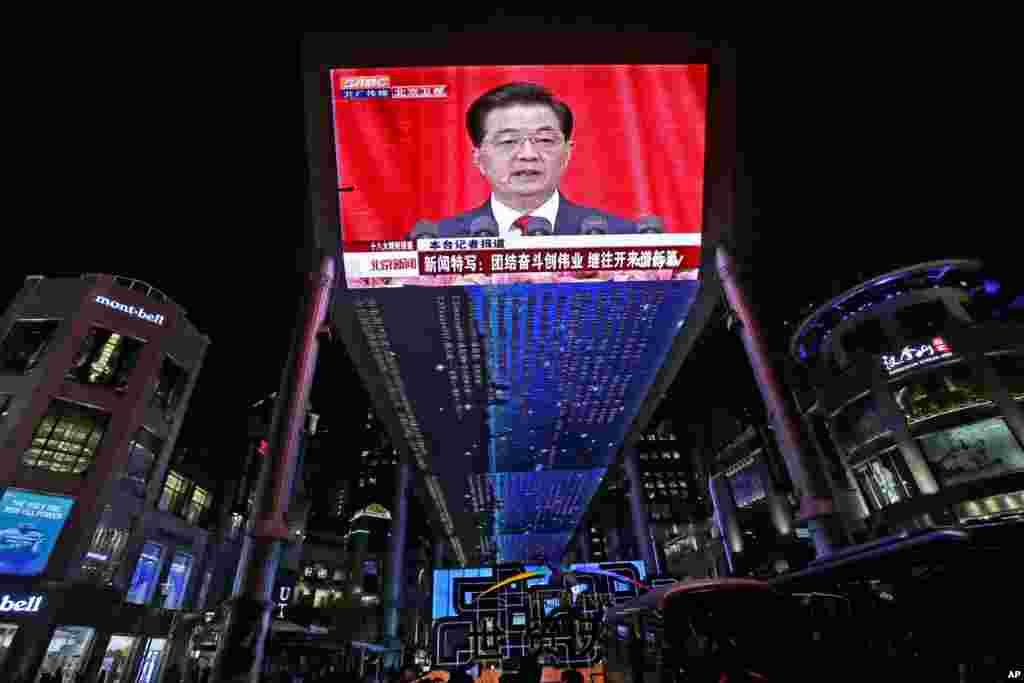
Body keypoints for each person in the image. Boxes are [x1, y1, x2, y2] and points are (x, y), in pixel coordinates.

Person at [438, 82, 637, 238]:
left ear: (567, 154)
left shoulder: (622, 237)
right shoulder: (436, 242)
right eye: (508, 141)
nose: (528, 154)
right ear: (479, 159)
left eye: (544, 140)